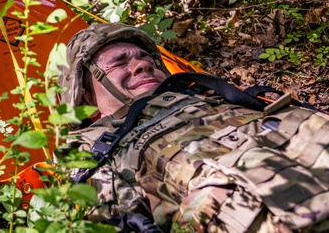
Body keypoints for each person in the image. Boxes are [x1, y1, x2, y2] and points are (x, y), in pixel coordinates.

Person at [58, 22, 329, 233]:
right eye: (119, 62)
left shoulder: (216, 92)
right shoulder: (94, 149)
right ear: (83, 93)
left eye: (147, 58)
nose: (143, 64)